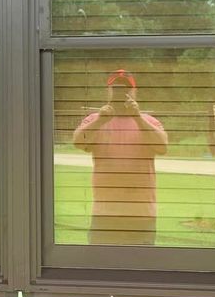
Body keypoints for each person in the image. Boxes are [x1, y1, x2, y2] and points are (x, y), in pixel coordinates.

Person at [72, 69, 168, 244]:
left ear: (134, 92)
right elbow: (78, 142)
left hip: (141, 214)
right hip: (105, 214)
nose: (120, 93)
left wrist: (137, 117)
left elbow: (162, 147)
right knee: (101, 268)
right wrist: (101, 120)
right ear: (108, 91)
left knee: (141, 267)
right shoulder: (95, 119)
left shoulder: (149, 121)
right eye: (116, 88)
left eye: (125, 89)